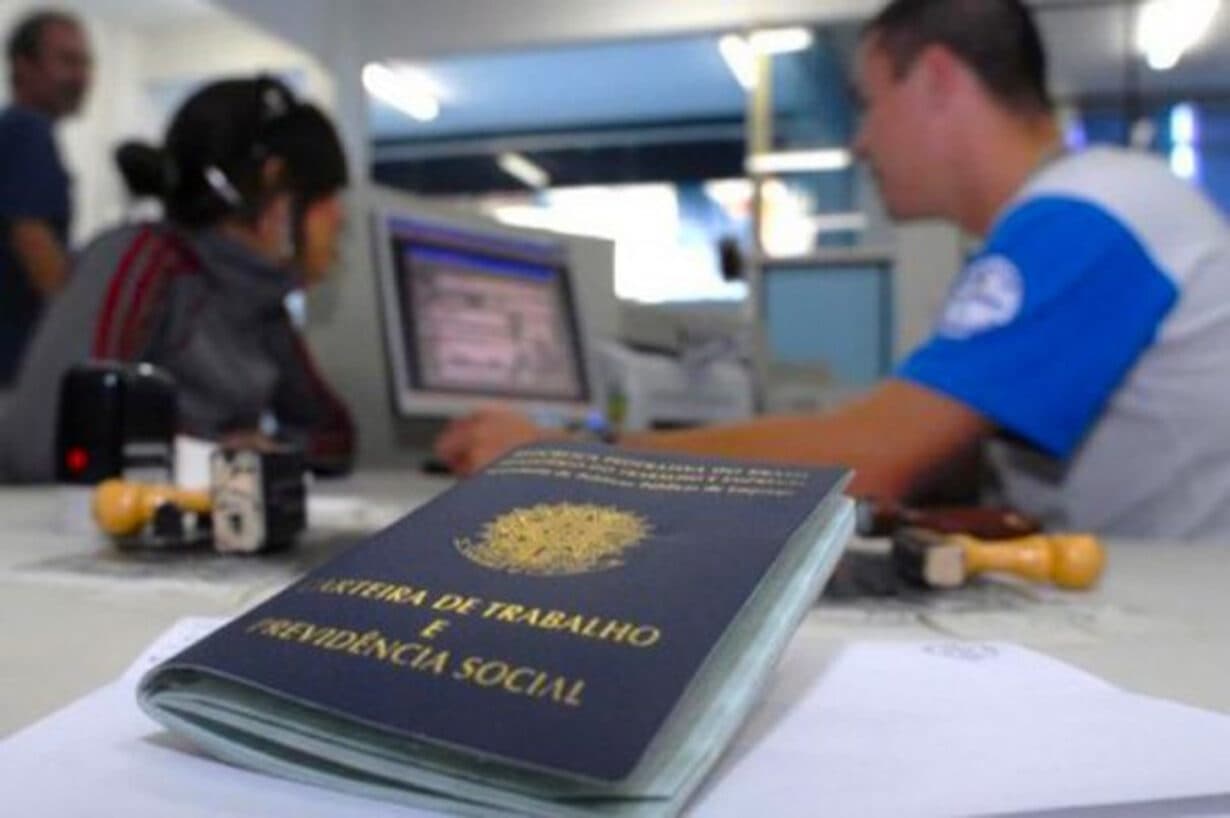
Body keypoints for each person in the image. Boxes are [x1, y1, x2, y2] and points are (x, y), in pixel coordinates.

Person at [433, 0, 1230, 541]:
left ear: (939, 80)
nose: (859, 143)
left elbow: (870, 459)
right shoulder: (1097, 206)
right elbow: (922, 452)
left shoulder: (1086, 217)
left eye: (867, 102)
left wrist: (567, 458)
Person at [0, 77, 354, 481]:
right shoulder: (146, 261)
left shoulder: (262, 301)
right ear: (274, 185)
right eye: (326, 196)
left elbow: (333, 437)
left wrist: (247, 454)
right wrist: (215, 456)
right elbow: (56, 440)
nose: (339, 217)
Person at [0, 9, 91, 385]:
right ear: (24, 66)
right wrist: (84, 334)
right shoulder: (27, 131)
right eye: (67, 61)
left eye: (85, 63)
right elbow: (32, 238)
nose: (82, 77)